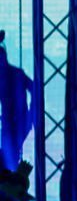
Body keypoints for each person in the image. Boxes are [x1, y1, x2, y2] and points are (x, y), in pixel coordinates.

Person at [0, 31, 35, 173]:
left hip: (14, 123)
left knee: (10, 150)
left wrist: (31, 113)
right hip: (16, 122)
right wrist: (31, 113)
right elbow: (34, 88)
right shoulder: (16, 74)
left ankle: (9, 174)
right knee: (11, 150)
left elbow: (34, 88)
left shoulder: (14, 74)